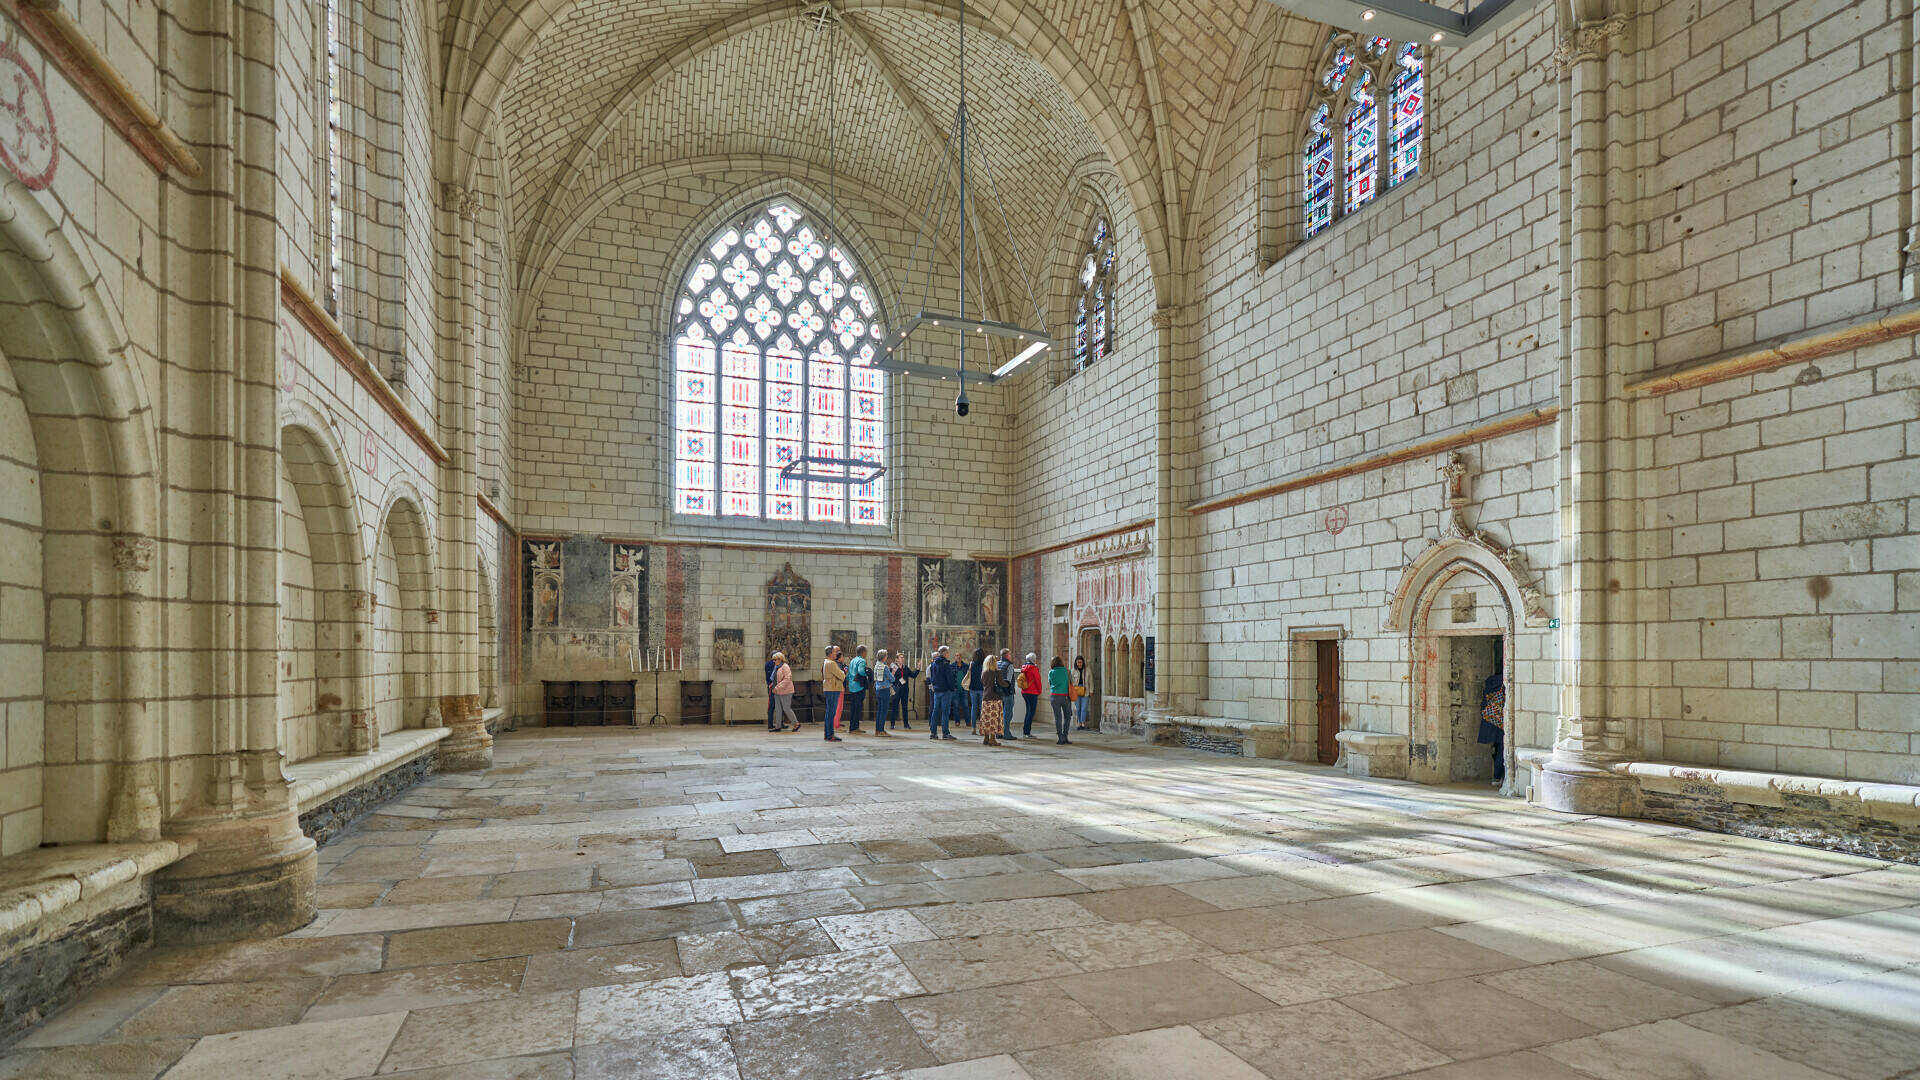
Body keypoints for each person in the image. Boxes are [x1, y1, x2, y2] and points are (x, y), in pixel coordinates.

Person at [847, 645, 882, 736]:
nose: (866, 653)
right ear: (863, 652)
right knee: (858, 708)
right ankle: (855, 728)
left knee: (853, 708)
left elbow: (848, 675)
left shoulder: (852, 660)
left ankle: (852, 727)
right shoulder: (862, 660)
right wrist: (868, 671)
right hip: (859, 687)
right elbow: (861, 671)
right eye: (866, 652)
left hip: (851, 686)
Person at [1479, 669, 1506, 785]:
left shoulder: (1490, 683)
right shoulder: (1504, 683)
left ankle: (1496, 776)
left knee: (1496, 747)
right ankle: (1497, 776)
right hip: (1502, 721)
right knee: (1502, 748)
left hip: (1491, 721)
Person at [926, 646, 957, 741]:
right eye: (948, 652)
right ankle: (945, 733)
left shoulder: (934, 664)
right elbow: (950, 678)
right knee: (945, 712)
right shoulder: (945, 664)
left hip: (937, 690)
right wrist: (952, 688)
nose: (948, 654)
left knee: (935, 711)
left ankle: (933, 733)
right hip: (945, 691)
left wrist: (934, 687)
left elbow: (932, 678)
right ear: (944, 653)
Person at [976, 655, 1005, 747]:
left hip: (986, 697)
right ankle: (992, 739)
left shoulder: (984, 672)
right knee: (994, 719)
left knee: (986, 718)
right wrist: (1007, 684)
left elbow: (983, 683)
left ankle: (986, 738)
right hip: (995, 698)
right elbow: (1001, 683)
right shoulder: (997, 672)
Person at [768, 652, 799, 731]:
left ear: (780, 659)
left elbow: (787, 679)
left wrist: (777, 687)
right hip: (777, 691)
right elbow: (775, 678)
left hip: (786, 691)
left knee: (786, 708)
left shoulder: (785, 667)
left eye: (775, 660)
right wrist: (772, 684)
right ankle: (778, 726)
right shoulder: (777, 667)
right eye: (773, 660)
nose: (773, 661)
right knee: (778, 709)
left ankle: (796, 724)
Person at [821, 645, 845, 742]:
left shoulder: (826, 662)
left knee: (828, 713)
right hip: (833, 689)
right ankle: (830, 735)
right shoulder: (831, 663)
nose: (836, 654)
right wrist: (843, 673)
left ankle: (827, 734)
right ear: (830, 653)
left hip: (829, 688)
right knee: (831, 713)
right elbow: (842, 675)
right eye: (835, 652)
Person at [1048, 656, 1073, 744]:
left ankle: (1060, 738)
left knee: (1058, 717)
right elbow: (1071, 682)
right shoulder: (1067, 671)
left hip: (1054, 697)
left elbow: (1050, 683)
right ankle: (1065, 736)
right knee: (1067, 717)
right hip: (1065, 696)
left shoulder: (1051, 672)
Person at [891, 655, 920, 730]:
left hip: (905, 689)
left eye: (903, 657)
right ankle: (892, 724)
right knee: (895, 707)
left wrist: (918, 668)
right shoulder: (894, 667)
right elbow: (891, 678)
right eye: (901, 657)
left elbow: (913, 675)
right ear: (897, 659)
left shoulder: (905, 668)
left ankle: (906, 724)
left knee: (904, 707)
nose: (903, 659)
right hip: (897, 688)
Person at [996, 649, 1019, 740]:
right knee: (1008, 714)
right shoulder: (1009, 665)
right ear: (1006, 655)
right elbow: (1009, 680)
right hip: (1008, 693)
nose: (1010, 655)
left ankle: (998, 733)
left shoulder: (997, 664)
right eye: (1010, 654)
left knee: (999, 714)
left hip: (998, 693)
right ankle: (1006, 733)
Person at [1019, 653, 1042, 739]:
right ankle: (1027, 732)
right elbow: (1038, 681)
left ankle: (1025, 731)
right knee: (1031, 713)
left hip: (1024, 692)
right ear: (1033, 660)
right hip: (1032, 692)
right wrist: (1039, 691)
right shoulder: (1033, 669)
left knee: (1028, 711)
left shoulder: (1023, 668)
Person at [873, 649, 892, 738]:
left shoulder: (876, 665)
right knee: (883, 711)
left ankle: (877, 730)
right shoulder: (885, 667)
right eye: (886, 656)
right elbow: (892, 679)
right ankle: (881, 730)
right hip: (884, 690)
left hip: (878, 689)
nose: (887, 657)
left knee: (879, 710)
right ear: (884, 657)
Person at [966, 649, 986, 730]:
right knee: (982, 708)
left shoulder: (971, 664)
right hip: (982, 688)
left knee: (974, 707)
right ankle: (982, 727)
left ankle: (973, 728)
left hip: (973, 688)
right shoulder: (984, 664)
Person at [1072, 655, 1090, 730]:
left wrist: (1091, 690)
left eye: (1081, 662)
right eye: (1078, 662)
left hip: (1085, 690)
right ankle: (1079, 723)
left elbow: (1091, 681)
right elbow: (1070, 682)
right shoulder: (1073, 670)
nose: (1079, 664)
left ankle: (1083, 723)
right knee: (1078, 708)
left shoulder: (1087, 670)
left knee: (1084, 707)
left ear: (1083, 662)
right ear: (1076, 663)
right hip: (1076, 691)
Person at [766, 652, 781, 731]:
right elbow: (771, 677)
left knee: (776, 705)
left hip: (772, 686)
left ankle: (777, 724)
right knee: (772, 705)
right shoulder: (772, 664)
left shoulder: (768, 664)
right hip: (772, 687)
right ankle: (771, 724)